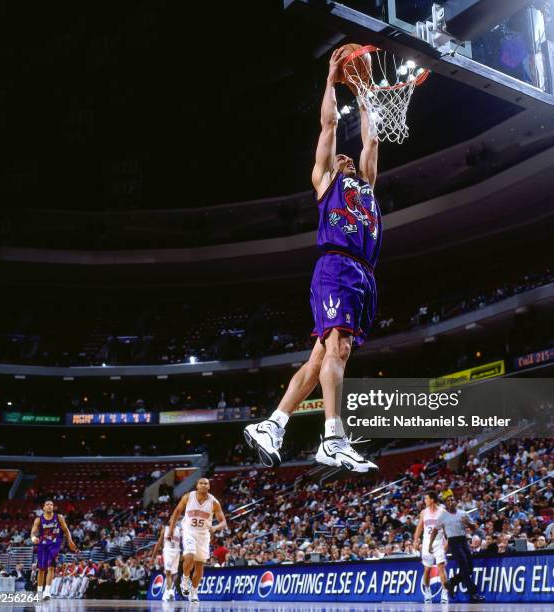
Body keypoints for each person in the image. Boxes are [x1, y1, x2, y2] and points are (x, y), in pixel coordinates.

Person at [244, 46, 382, 473]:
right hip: (336, 266)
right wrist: (330, 80)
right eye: (339, 158)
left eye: (348, 158)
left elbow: (372, 137)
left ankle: (273, 424)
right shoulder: (326, 184)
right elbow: (328, 125)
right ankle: (333, 438)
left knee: (321, 359)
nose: (345, 158)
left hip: (363, 277)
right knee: (337, 348)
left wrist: (363, 90)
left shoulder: (368, 185)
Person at [168, 478, 227, 603]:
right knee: (190, 554)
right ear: (197, 485)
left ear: (209, 486)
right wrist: (172, 529)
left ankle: (194, 593)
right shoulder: (188, 497)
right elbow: (177, 511)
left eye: (206, 483)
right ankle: (185, 579)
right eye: (201, 483)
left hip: (204, 535)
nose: (203, 485)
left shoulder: (214, 502)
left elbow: (223, 522)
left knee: (200, 566)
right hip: (189, 531)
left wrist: (215, 527)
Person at [430, 494, 485, 603]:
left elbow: (474, 527)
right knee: (464, 566)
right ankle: (473, 594)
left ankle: (451, 582)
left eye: (452, 499)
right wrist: (429, 544)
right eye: (448, 500)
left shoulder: (462, 513)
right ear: (446, 504)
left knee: (469, 568)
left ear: (456, 502)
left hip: (463, 540)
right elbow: (435, 531)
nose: (451, 501)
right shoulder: (442, 516)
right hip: (453, 542)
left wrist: (468, 523)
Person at [30, 500, 78, 600]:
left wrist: (70, 541)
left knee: (51, 567)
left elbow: (66, 530)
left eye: (51, 504)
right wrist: (33, 538)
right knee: (41, 569)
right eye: (47, 504)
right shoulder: (39, 519)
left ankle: (47, 592)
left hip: (55, 544)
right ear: (43, 507)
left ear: (53, 507)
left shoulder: (59, 517)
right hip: (43, 545)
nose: (49, 506)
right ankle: (39, 593)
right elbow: (33, 532)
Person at [414, 491, 449, 604]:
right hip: (426, 542)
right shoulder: (424, 512)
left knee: (441, 568)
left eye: (426, 499)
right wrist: (415, 540)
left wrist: (447, 542)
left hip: (439, 542)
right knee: (427, 569)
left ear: (432, 500)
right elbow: (419, 527)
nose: (425, 501)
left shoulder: (442, 512)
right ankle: (427, 591)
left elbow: (447, 528)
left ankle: (444, 593)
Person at [150, 519, 181, 601]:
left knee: (174, 574)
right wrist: (152, 557)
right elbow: (158, 544)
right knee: (168, 572)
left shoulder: (179, 529)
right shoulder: (165, 529)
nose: (174, 518)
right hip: (167, 551)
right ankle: (171, 591)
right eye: (172, 517)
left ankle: (167, 591)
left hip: (177, 552)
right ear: (170, 520)